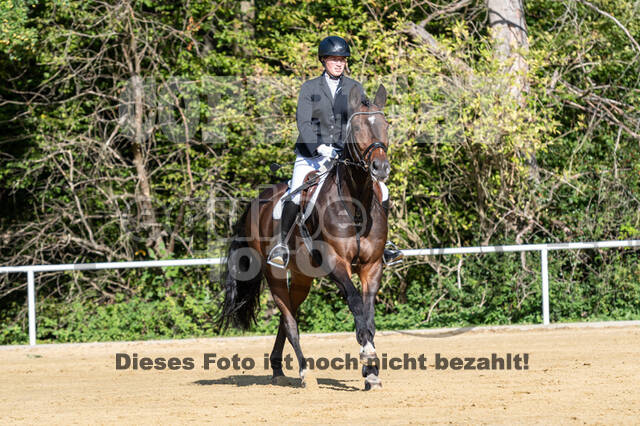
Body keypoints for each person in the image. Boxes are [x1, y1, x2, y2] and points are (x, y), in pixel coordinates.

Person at [267, 36, 403, 268]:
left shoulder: (354, 87)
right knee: (295, 192)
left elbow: (364, 118)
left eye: (342, 60)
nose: (339, 63)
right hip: (312, 154)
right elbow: (303, 122)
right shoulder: (310, 87)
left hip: (343, 156)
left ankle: (385, 242)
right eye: (334, 59)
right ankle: (281, 246)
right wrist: (320, 147)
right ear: (324, 61)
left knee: (383, 189)